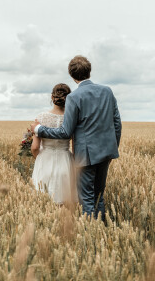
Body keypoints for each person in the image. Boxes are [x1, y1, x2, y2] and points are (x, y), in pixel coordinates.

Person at [31, 56, 121, 222]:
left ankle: (92, 235)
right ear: (89, 71)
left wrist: (39, 129)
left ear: (71, 75)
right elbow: (117, 123)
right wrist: (112, 148)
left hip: (86, 155)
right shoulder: (107, 91)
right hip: (107, 152)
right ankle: (102, 232)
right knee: (99, 196)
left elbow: (65, 132)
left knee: (86, 197)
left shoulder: (74, 97)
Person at [30, 83, 78, 204]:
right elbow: (76, 146)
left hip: (45, 159)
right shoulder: (72, 118)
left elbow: (35, 147)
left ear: (52, 97)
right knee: (65, 201)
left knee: (42, 200)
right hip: (65, 160)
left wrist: (40, 158)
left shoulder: (41, 117)